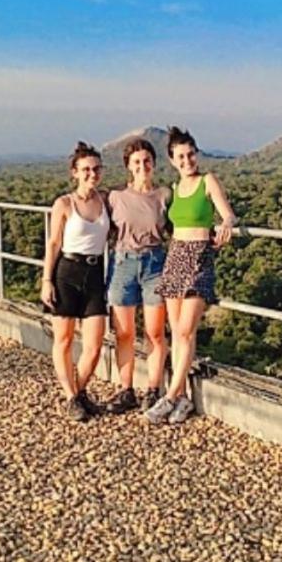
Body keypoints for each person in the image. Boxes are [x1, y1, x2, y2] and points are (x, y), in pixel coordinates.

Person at [147, 126, 237, 425]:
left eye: (191, 154)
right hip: (175, 256)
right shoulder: (173, 190)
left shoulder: (207, 181)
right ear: (172, 160)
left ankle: (169, 396)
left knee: (185, 330)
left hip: (199, 257)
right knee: (178, 333)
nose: (187, 161)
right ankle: (183, 398)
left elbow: (227, 213)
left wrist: (226, 225)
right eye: (181, 157)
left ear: (197, 153)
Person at [41, 142, 110, 422]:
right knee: (65, 339)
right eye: (85, 170)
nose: (91, 174)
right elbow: (53, 242)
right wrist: (47, 279)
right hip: (67, 271)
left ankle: (79, 393)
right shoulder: (64, 203)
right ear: (74, 172)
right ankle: (72, 396)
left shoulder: (105, 200)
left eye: (95, 169)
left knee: (94, 344)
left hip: (95, 273)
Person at [104, 138, 172, 414]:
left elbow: (177, 229)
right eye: (136, 162)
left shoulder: (164, 195)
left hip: (155, 263)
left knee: (155, 332)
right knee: (124, 332)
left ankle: (153, 389)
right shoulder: (114, 197)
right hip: (123, 263)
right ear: (128, 167)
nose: (142, 166)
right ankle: (126, 389)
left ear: (154, 164)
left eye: (147, 161)